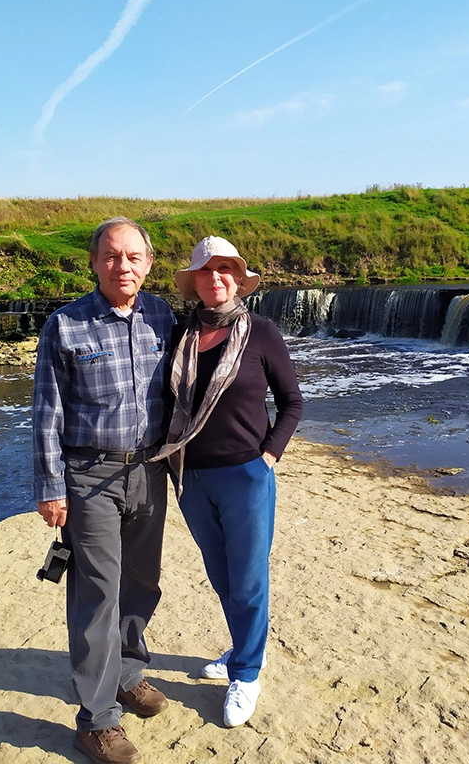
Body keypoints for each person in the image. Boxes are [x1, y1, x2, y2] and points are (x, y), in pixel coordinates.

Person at [32, 216, 175, 764]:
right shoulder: (64, 326)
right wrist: (51, 487)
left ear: (148, 263)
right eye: (112, 256)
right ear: (94, 263)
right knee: (97, 593)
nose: (123, 266)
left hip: (150, 471)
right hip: (89, 475)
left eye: (133, 256)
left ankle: (128, 673)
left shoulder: (162, 316)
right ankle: (95, 721)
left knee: (142, 583)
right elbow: (47, 414)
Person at [153, 236, 303, 728]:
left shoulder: (261, 332)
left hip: (246, 475)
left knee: (249, 579)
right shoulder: (180, 335)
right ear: (194, 281)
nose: (215, 277)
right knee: (221, 576)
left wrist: (268, 456)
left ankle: (246, 673)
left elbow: (292, 402)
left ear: (238, 278)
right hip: (191, 475)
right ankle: (242, 646)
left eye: (225, 269)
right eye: (205, 270)